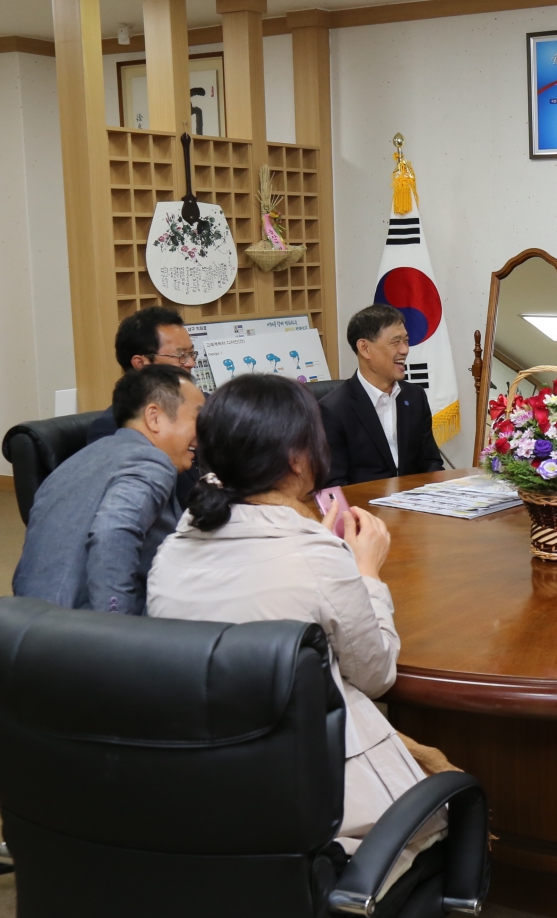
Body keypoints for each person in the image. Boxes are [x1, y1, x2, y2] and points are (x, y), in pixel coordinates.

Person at [146, 374, 457, 884]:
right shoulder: (316, 557)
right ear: (297, 458)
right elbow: (376, 675)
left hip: (199, 788)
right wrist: (365, 572)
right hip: (312, 801)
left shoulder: (172, 551)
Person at [13, 365, 202, 615]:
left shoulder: (76, 462)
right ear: (154, 417)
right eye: (198, 419)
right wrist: (113, 627)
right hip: (83, 635)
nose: (203, 434)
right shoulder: (150, 461)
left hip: (26, 625)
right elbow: (113, 532)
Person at [321, 304, 445, 485]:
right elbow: (334, 484)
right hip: (365, 509)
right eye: (395, 342)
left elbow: (430, 462)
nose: (405, 350)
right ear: (365, 348)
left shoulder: (415, 396)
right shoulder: (333, 410)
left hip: (415, 506)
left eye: (406, 341)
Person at [86, 306, 201, 502]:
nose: (190, 363)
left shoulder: (200, 404)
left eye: (191, 354)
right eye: (180, 355)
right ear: (141, 363)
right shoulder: (112, 430)